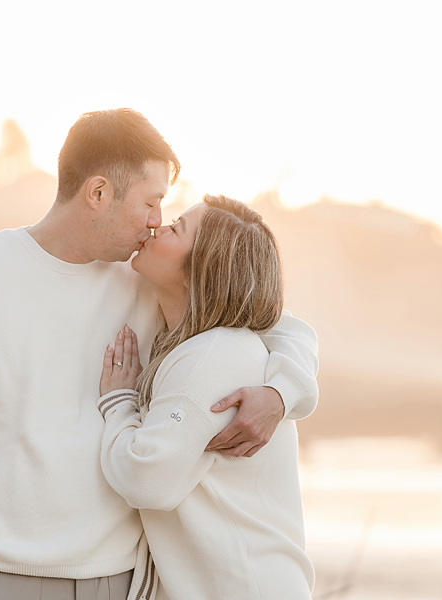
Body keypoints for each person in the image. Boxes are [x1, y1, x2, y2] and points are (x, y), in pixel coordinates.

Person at [0, 109, 319, 600]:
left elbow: (271, 321)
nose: (158, 221)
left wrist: (283, 392)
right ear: (97, 193)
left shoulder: (145, 282)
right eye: (151, 202)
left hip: (125, 584)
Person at [97, 195, 315, 600]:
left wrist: (118, 402)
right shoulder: (210, 344)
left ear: (199, 270)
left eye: (177, 227)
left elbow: (146, 480)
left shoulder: (211, 357)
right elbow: (292, 328)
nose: (157, 226)